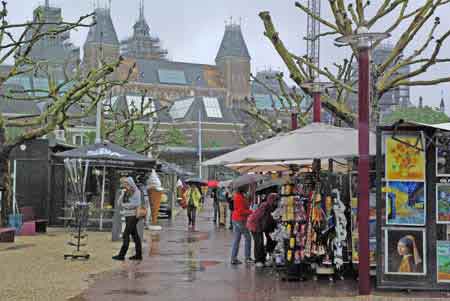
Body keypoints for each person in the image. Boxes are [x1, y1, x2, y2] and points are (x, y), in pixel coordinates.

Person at [112, 177, 143, 261]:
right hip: (128, 216)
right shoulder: (126, 192)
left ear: (130, 183)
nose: (124, 185)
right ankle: (138, 255)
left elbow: (136, 204)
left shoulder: (137, 192)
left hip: (133, 216)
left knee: (126, 234)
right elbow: (119, 203)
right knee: (135, 235)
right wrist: (122, 194)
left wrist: (125, 205)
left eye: (126, 183)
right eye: (124, 184)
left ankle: (121, 255)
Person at [247, 193, 278, 267]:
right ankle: (259, 260)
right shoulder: (264, 206)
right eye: (275, 200)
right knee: (259, 242)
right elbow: (258, 218)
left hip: (264, 226)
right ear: (271, 200)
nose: (276, 202)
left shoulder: (273, 207)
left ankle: (264, 258)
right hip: (255, 225)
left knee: (270, 240)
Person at [231, 185, 253, 265]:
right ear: (242, 188)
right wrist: (251, 212)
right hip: (240, 220)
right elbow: (241, 211)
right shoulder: (239, 197)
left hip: (237, 219)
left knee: (237, 239)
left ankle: (233, 258)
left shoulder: (240, 196)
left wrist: (248, 201)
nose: (247, 188)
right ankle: (247, 257)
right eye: (246, 187)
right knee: (248, 238)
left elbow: (245, 206)